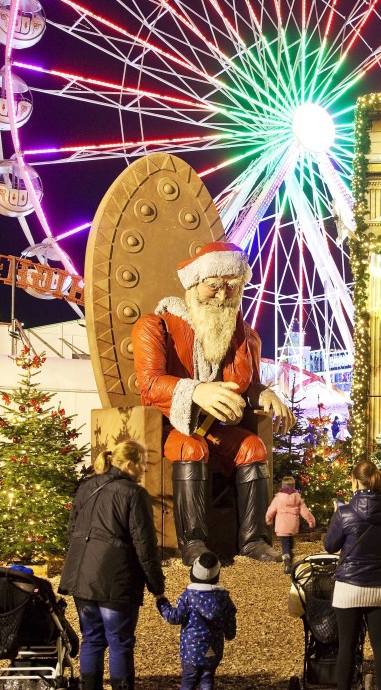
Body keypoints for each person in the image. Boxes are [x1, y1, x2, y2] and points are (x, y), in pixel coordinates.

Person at [132, 240, 292, 564]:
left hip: (215, 427)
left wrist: (265, 393)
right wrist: (195, 390)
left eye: (231, 288)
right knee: (192, 448)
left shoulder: (242, 335)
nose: (222, 297)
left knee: (253, 448)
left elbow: (245, 384)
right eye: (214, 287)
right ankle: (193, 543)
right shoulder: (156, 326)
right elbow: (149, 385)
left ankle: (254, 541)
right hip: (173, 425)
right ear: (194, 284)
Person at [59, 440, 167, 690]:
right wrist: (157, 587)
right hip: (116, 579)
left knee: (92, 638)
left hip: (81, 576)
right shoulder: (134, 494)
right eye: (143, 463)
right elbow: (145, 545)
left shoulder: (86, 487)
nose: (145, 469)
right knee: (119, 640)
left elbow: (72, 530)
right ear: (129, 464)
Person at [324, 459, 381, 690]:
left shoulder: (344, 512)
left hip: (349, 586)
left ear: (355, 482)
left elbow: (330, 546)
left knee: (346, 645)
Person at [156, 551, 238, 690]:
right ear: (217, 574)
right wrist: (230, 634)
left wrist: (162, 602)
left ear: (193, 572)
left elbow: (174, 617)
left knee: (189, 680)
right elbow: (230, 620)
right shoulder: (223, 598)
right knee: (207, 679)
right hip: (214, 649)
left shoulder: (188, 597)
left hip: (191, 651)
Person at [265, 475, 317, 573]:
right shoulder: (297, 498)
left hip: (282, 526)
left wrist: (268, 519)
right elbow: (305, 511)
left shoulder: (278, 498)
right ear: (293, 486)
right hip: (292, 526)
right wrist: (311, 521)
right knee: (291, 543)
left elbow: (271, 510)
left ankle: (287, 563)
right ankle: (291, 561)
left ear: (282, 486)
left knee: (285, 544)